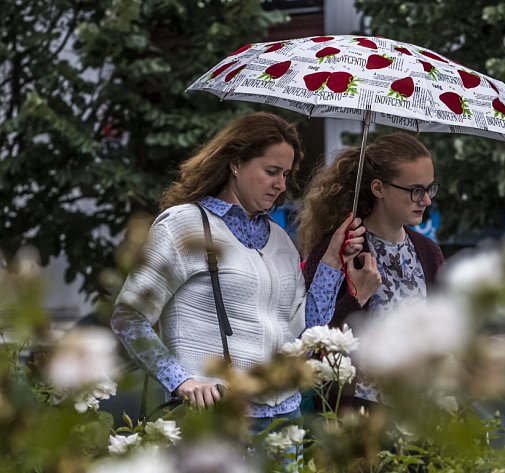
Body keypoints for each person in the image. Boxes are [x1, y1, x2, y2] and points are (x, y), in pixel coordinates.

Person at [110, 112, 369, 432]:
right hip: (213, 415)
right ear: (235, 163)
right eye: (271, 171)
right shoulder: (183, 226)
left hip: (284, 418)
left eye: (286, 174)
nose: (281, 184)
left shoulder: (280, 240)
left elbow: (307, 329)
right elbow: (128, 316)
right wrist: (180, 381)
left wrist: (333, 259)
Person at [298, 132, 445, 409]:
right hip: (354, 411)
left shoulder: (429, 252)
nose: (426, 200)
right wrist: (356, 297)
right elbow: (313, 338)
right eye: (416, 190)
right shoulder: (340, 247)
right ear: (379, 188)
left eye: (430, 189)